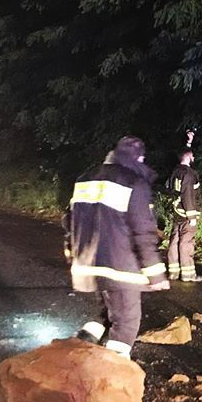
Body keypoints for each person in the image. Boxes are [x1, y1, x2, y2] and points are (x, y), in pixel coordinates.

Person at [64, 136, 169, 358]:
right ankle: (111, 376)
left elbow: (69, 221)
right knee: (126, 322)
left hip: (88, 264)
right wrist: (156, 274)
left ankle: (77, 352)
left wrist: (71, 255)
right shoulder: (134, 182)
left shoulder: (85, 178)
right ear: (138, 158)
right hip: (120, 267)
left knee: (106, 314)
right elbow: (143, 231)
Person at [166, 147, 202, 282]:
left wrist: (189, 141)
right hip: (187, 214)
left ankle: (173, 273)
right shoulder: (189, 174)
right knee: (186, 243)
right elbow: (188, 195)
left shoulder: (175, 172)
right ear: (188, 157)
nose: (194, 158)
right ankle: (188, 275)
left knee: (174, 242)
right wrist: (192, 216)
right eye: (192, 156)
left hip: (177, 212)